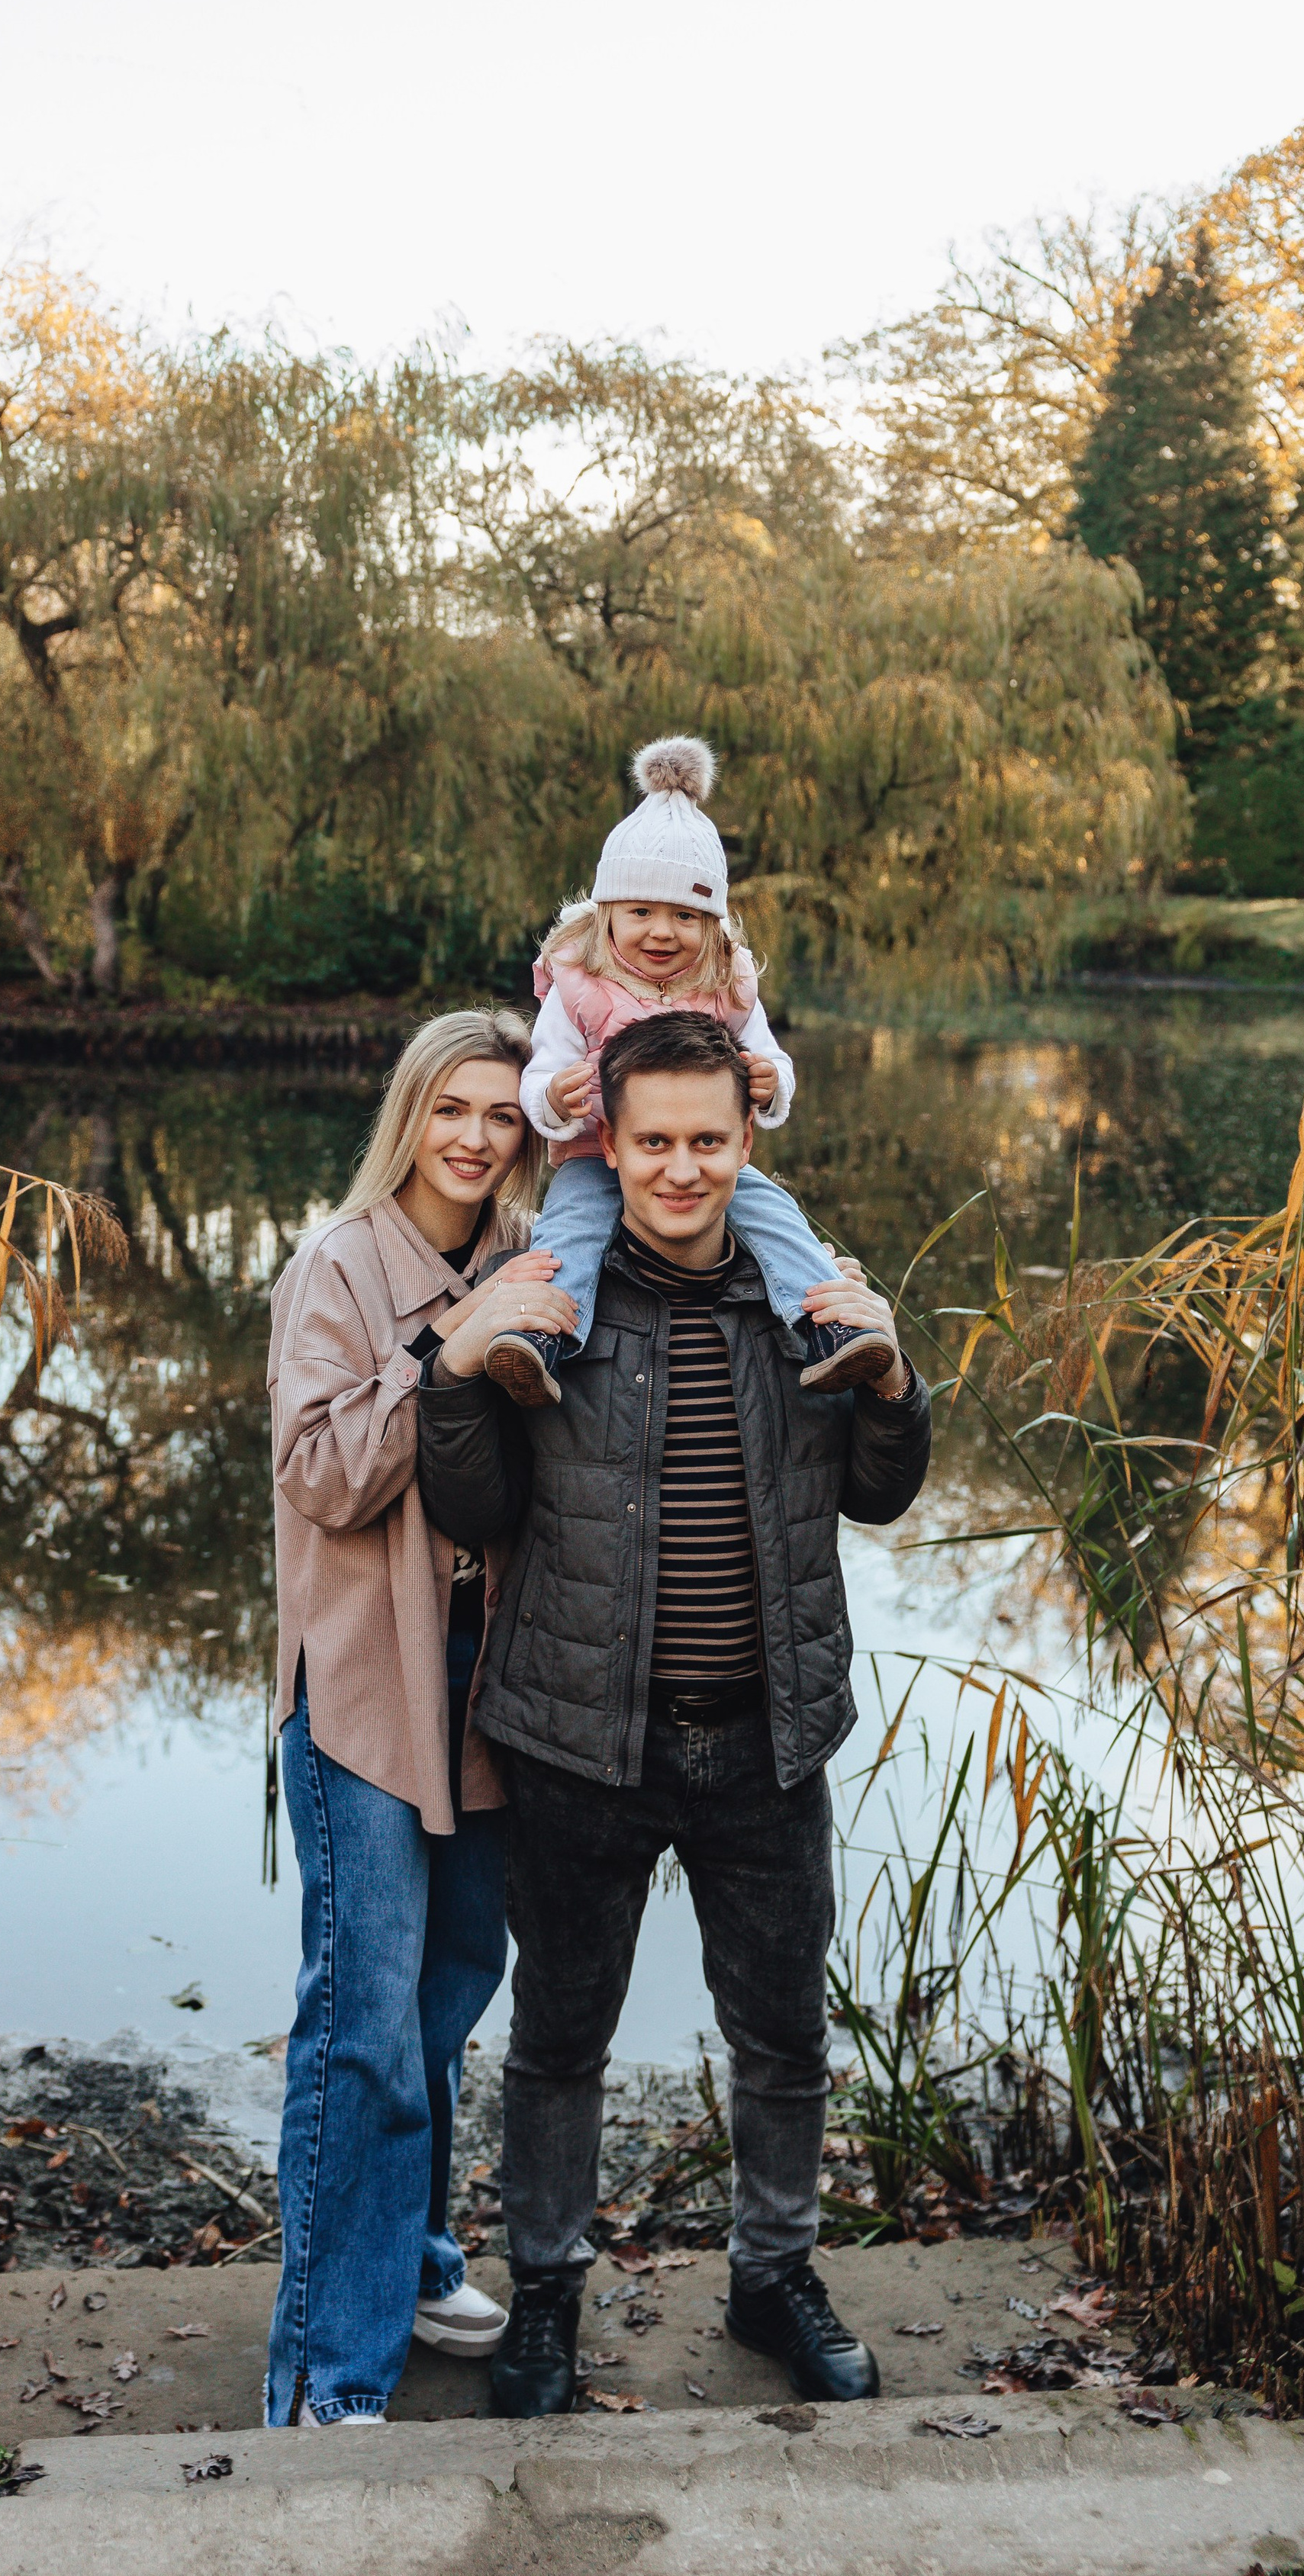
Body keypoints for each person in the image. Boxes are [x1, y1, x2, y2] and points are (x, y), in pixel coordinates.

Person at [416, 1008, 932, 2416]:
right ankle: (545, 2303)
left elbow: (881, 1493)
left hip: (766, 1742)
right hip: (583, 1739)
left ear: (744, 1139)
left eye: (710, 1141)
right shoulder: (555, 1300)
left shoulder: (808, 1294)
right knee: (559, 2039)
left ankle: (774, 2280)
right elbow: (474, 1505)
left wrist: (892, 1376)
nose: (684, 1168)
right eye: (656, 1143)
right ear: (611, 1143)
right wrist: (454, 1370)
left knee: (779, 2038)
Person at [263, 1008, 577, 2427]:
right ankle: (328, 2372)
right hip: (369, 1691)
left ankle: (417, 2257)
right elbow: (323, 1478)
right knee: (365, 2031)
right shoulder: (338, 1264)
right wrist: (449, 1351)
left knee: (448, 2005)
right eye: (453, 1109)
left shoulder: (528, 1260)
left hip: (488, 1688)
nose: (474, 1137)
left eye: (501, 1116)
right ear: (410, 1114)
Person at [481, 733, 888, 1411]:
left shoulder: (727, 984)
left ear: (713, 923)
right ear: (608, 914)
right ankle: (544, 1337)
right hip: (592, 1152)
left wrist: (769, 1082)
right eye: (640, 912)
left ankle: (830, 1326)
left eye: (684, 916)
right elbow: (539, 1075)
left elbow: (770, 1055)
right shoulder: (579, 984)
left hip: (692, 1152)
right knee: (569, 1234)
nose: (661, 931)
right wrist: (555, 1097)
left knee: (775, 1214)